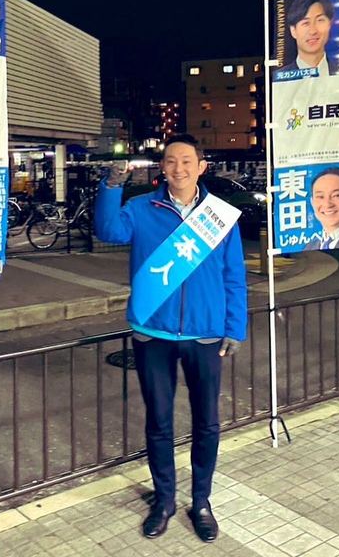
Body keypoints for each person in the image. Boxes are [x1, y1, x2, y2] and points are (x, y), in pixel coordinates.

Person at [94, 134, 247, 543]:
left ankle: (201, 502)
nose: (178, 168)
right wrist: (111, 185)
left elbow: (234, 276)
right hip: (153, 334)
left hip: (205, 334)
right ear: (162, 167)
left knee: (207, 422)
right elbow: (108, 230)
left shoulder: (219, 217)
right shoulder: (142, 208)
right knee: (159, 422)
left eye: (186, 161)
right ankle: (164, 500)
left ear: (201, 166)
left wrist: (235, 327)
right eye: (170, 161)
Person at [275, 0, 336, 77]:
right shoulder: (282, 78)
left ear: (329, 24)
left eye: (320, 20)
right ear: (293, 30)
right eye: (305, 23)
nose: (313, 31)